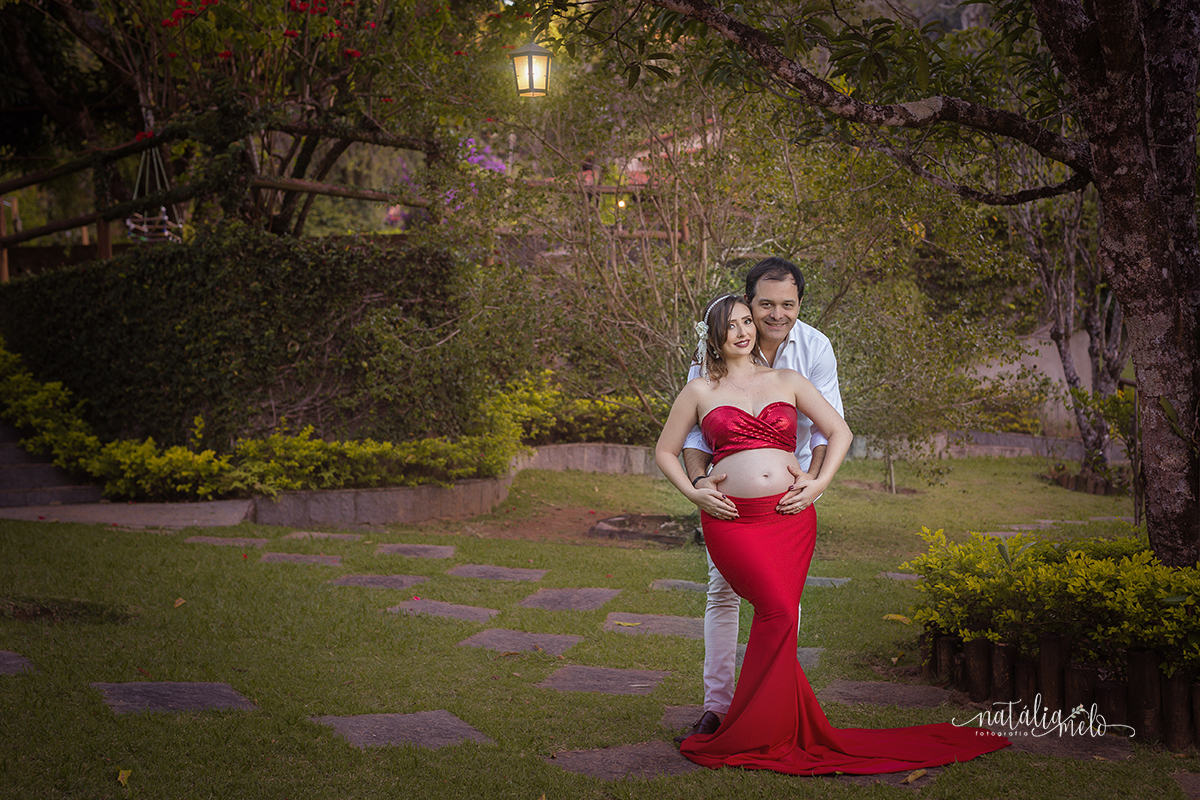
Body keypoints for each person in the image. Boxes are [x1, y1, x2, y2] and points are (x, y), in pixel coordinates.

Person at [655, 294, 1009, 774]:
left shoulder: (788, 380)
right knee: (776, 612)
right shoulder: (698, 390)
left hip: (790, 517)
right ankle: (755, 722)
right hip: (732, 519)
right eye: (731, 325)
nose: (742, 331)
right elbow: (665, 451)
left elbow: (838, 431)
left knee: (778, 614)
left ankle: (762, 724)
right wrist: (694, 494)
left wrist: (818, 482)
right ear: (712, 337)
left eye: (746, 322)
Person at [679, 257, 843, 738]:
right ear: (746, 302)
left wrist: (814, 483)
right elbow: (692, 436)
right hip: (730, 507)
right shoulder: (712, 348)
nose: (775, 315)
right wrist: (699, 486)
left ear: (799, 305)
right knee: (722, 592)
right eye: (764, 304)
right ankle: (718, 706)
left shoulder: (814, 348)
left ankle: (773, 707)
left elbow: (826, 428)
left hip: (789, 503)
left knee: (784, 603)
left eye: (787, 304)